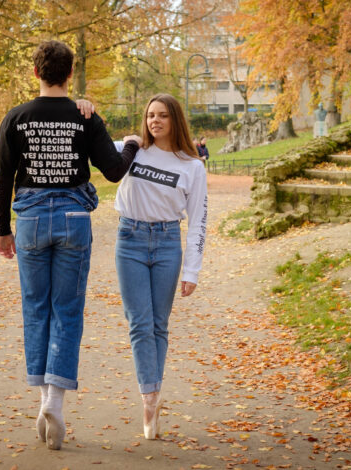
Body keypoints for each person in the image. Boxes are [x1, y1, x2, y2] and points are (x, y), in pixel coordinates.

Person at [0, 40, 141, 450]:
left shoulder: (16, 117)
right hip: (75, 220)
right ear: (70, 74)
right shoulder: (83, 116)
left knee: (35, 308)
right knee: (67, 310)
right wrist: (132, 144)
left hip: (31, 220)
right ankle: (55, 401)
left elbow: (4, 179)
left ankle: (42, 399)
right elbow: (112, 171)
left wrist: (4, 231)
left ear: (35, 73)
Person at [114, 94, 208, 439]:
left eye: (163, 116)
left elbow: (198, 221)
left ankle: (152, 390)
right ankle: (149, 398)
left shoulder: (192, 166)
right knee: (139, 324)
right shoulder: (131, 150)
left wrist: (192, 271)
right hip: (130, 240)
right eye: (150, 115)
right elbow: (89, 144)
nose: (155, 121)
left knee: (158, 324)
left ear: (175, 121)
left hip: (168, 243)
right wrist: (82, 107)